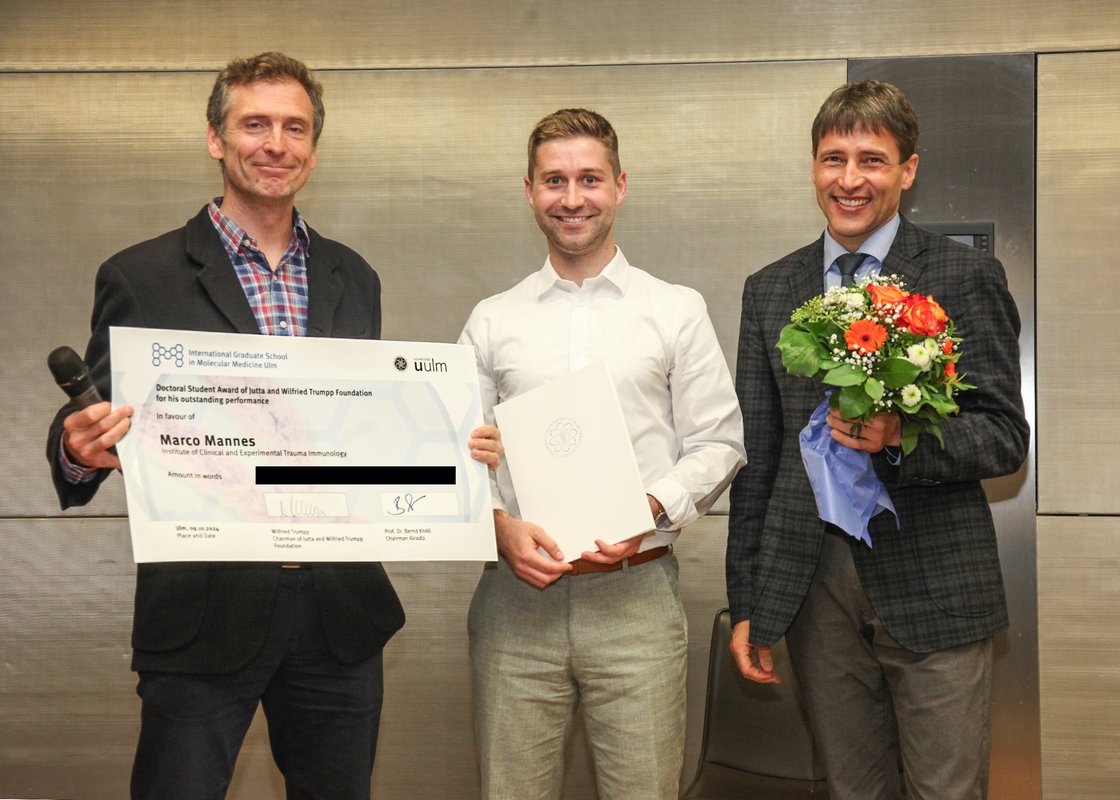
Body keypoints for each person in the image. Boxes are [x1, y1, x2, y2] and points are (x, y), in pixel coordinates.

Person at [46, 52, 501, 799]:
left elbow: (366, 425)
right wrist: (77, 447)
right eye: (254, 124)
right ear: (215, 139)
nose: (275, 144)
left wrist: (457, 448)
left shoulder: (355, 275)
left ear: (314, 149)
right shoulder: (142, 274)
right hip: (202, 610)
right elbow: (91, 410)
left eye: (294, 128)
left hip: (338, 612)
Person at [726, 79, 1029, 800]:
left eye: (872, 159)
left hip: (936, 581)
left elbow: (1003, 437)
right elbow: (757, 459)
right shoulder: (770, 289)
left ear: (908, 170)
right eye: (834, 159)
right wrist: (748, 604)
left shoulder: (963, 275)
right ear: (813, 168)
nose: (850, 180)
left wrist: (897, 439)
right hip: (813, 586)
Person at [458, 108, 745, 800]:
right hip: (515, 599)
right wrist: (498, 526)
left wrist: (645, 508)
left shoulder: (674, 310)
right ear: (530, 191)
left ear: (620, 185)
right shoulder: (492, 320)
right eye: (554, 181)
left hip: (636, 600)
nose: (572, 197)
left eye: (589, 178)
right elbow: (458, 455)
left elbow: (719, 442)